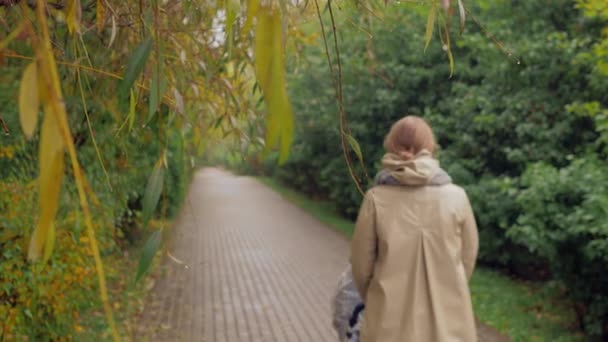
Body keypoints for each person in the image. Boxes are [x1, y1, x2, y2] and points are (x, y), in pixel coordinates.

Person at [350, 115, 479, 342]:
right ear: (430, 147)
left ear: (391, 145)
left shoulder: (375, 198)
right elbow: (467, 260)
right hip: (448, 325)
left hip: (388, 323)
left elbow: (361, 266)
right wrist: (448, 284)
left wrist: (376, 298)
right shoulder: (457, 197)